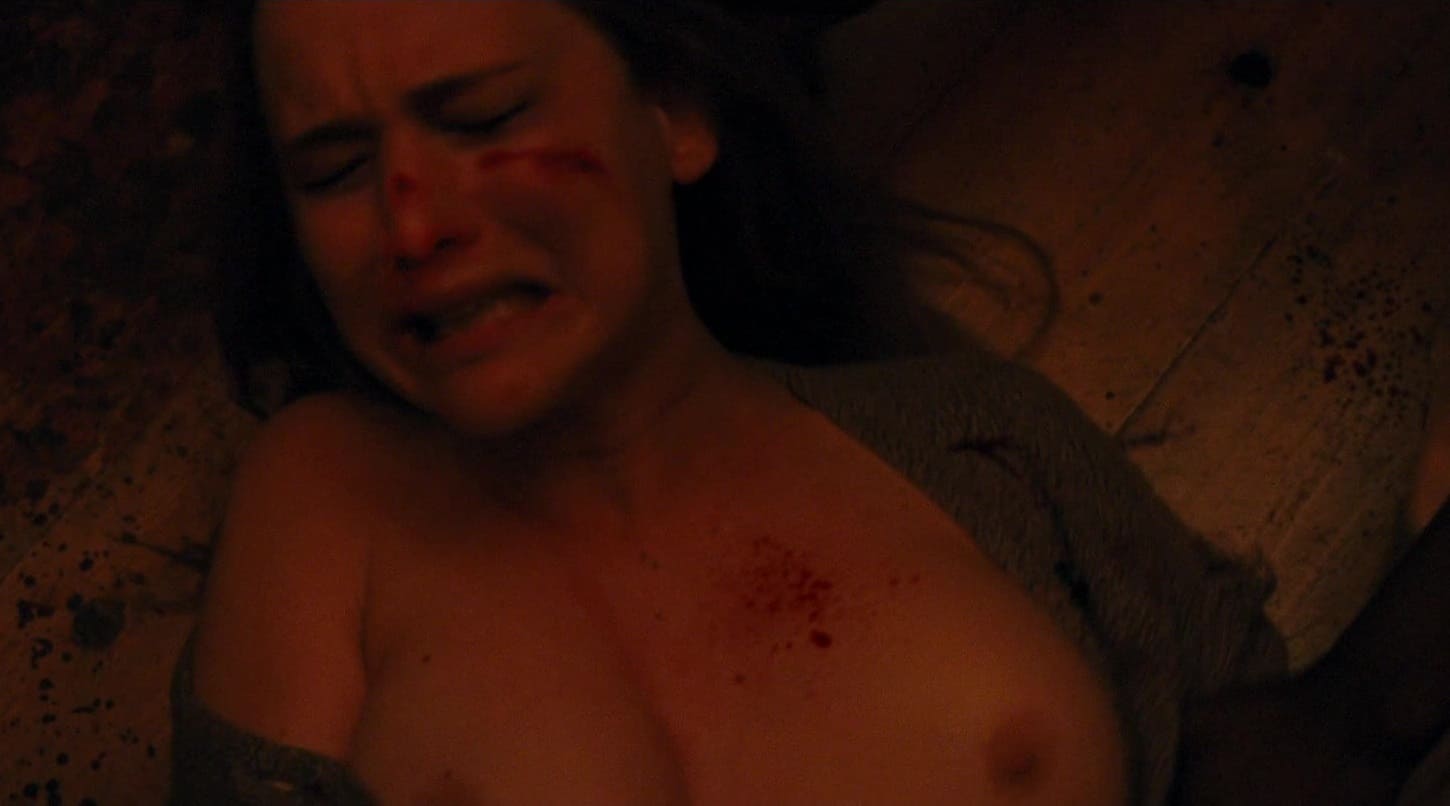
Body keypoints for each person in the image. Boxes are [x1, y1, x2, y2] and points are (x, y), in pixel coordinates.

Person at [172, 2, 1449, 804]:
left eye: (484, 117)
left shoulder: (984, 442)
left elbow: (1277, 749)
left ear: (674, 115)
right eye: (332, 171)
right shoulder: (329, 501)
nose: (411, 224)